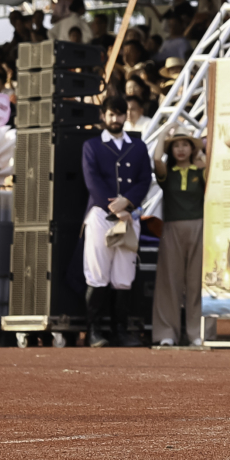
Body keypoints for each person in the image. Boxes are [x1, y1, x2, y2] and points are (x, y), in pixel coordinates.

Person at [80, 97, 152, 347]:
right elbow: (93, 181)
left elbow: (145, 179)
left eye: (120, 115)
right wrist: (116, 208)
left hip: (129, 214)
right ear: (103, 115)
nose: (116, 119)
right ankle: (94, 331)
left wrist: (128, 203)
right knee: (98, 272)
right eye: (111, 114)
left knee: (124, 273)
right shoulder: (92, 145)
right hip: (102, 213)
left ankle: (121, 330)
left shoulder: (139, 146)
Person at [151, 134, 207, 346]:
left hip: (199, 227)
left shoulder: (200, 170)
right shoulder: (168, 172)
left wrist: (200, 152)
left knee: (197, 282)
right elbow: (157, 159)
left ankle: (197, 333)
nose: (181, 149)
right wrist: (165, 131)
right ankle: (167, 333)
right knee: (169, 281)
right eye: (176, 146)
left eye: (185, 145)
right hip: (172, 229)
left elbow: (213, 170)